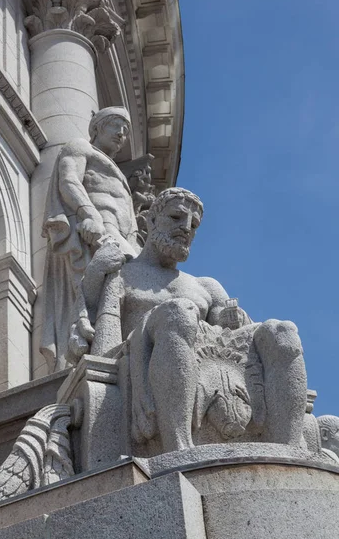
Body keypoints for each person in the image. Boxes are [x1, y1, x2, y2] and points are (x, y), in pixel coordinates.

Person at [81, 187, 308, 454]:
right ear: (149, 222)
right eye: (176, 217)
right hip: (145, 353)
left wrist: (232, 319)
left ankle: (289, 448)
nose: (186, 228)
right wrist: (96, 275)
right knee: (178, 312)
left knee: (283, 331)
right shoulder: (123, 274)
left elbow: (237, 335)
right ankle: (177, 445)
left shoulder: (207, 287)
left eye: (194, 224)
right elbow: (101, 343)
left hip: (212, 360)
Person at [41, 106, 141, 372]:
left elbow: (129, 216)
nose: (122, 134)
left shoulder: (118, 172)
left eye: (126, 130)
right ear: (97, 126)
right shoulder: (80, 147)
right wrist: (87, 213)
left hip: (124, 236)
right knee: (106, 295)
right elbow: (69, 179)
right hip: (97, 233)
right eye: (116, 125)